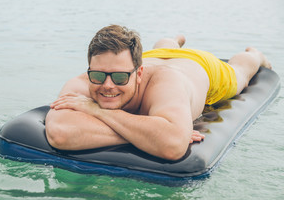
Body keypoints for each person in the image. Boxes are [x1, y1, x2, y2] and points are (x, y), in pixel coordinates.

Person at [45, 25, 271, 160]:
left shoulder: (166, 84)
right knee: (163, 48)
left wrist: (97, 111)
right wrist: (150, 134)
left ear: (139, 73)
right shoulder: (83, 82)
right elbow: (61, 134)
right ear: (90, 70)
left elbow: (172, 146)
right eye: (98, 75)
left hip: (201, 68)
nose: (107, 86)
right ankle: (172, 42)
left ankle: (255, 54)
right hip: (157, 54)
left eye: (120, 77)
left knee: (240, 72)